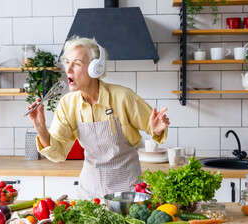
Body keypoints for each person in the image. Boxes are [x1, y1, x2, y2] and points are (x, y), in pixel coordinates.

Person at [27, 36, 170, 199]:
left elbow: (154, 129)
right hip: (89, 193)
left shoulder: (123, 97)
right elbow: (58, 154)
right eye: (67, 62)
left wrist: (156, 130)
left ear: (96, 68)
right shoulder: (67, 104)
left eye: (77, 63)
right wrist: (41, 128)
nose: (68, 69)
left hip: (127, 191)